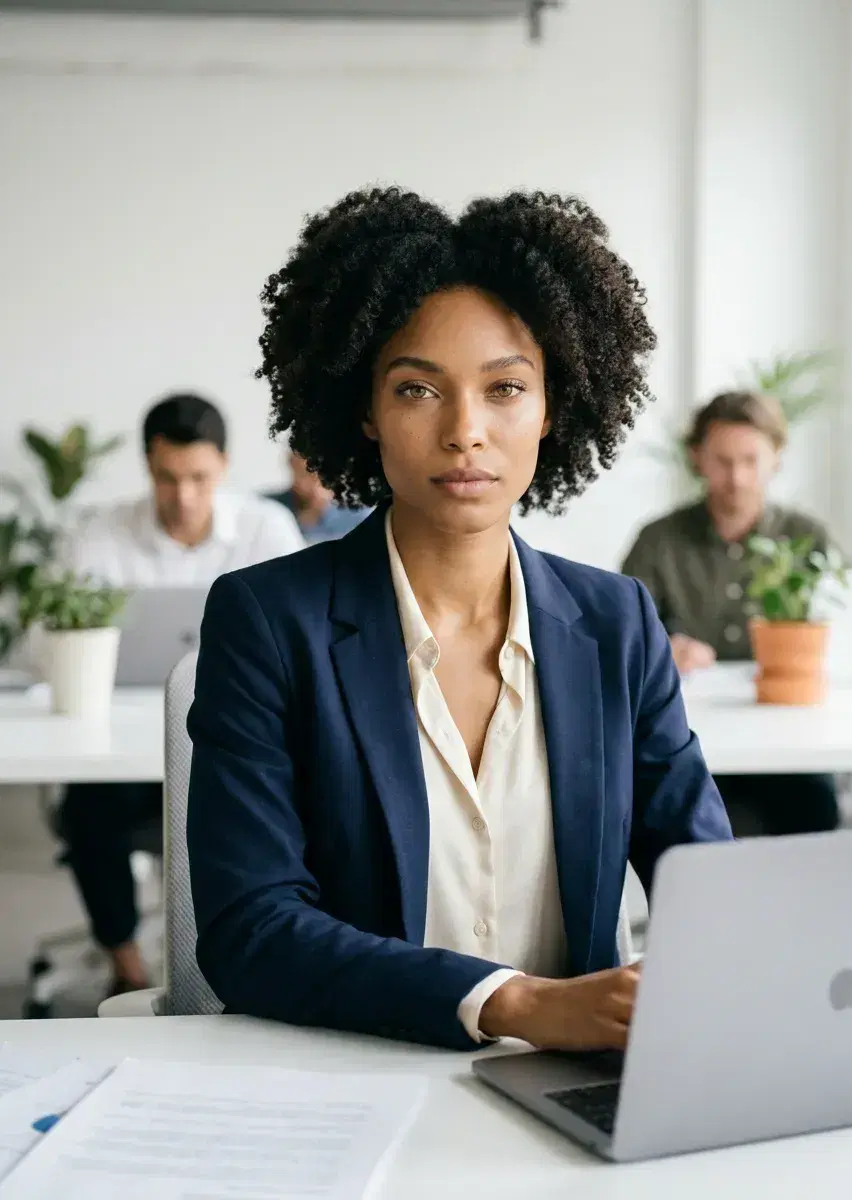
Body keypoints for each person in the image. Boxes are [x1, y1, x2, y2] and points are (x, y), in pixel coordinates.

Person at [187, 187, 732, 1054]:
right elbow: (250, 928)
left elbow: (708, 883)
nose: (465, 432)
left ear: (552, 408)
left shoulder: (617, 621)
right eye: (418, 389)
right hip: (357, 1076)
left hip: (576, 1088)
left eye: (506, 388)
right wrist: (510, 1002)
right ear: (366, 410)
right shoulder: (266, 621)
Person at [60, 393, 305, 995]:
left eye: (199, 477)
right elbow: (62, 639)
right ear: (148, 465)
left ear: (223, 465)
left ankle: (252, 962)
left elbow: (296, 649)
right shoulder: (100, 536)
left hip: (235, 740)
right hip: (119, 747)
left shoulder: (264, 529)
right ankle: (125, 962)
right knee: (88, 810)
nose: (184, 496)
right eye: (168, 477)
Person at [621, 389, 839, 836]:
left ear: (776, 456)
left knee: (816, 815)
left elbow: (838, 633)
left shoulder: (807, 538)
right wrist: (666, 650)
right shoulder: (658, 541)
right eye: (722, 461)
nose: (736, 477)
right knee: (713, 826)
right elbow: (622, 641)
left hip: (789, 736)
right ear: (697, 458)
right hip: (693, 742)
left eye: (750, 460)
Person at [266, 452, 370, 544]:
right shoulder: (268, 508)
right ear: (292, 466)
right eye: (304, 474)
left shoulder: (358, 516)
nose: (315, 485)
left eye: (321, 475)